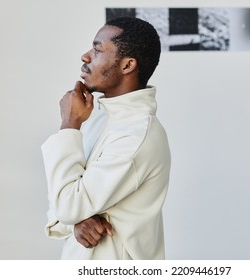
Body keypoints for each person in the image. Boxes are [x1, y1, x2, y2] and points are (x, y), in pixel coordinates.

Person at [41, 17, 171, 260]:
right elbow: (61, 203)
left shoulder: (135, 135)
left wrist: (69, 126)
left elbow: (67, 205)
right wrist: (75, 223)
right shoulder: (102, 119)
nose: (85, 56)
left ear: (127, 65)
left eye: (97, 49)